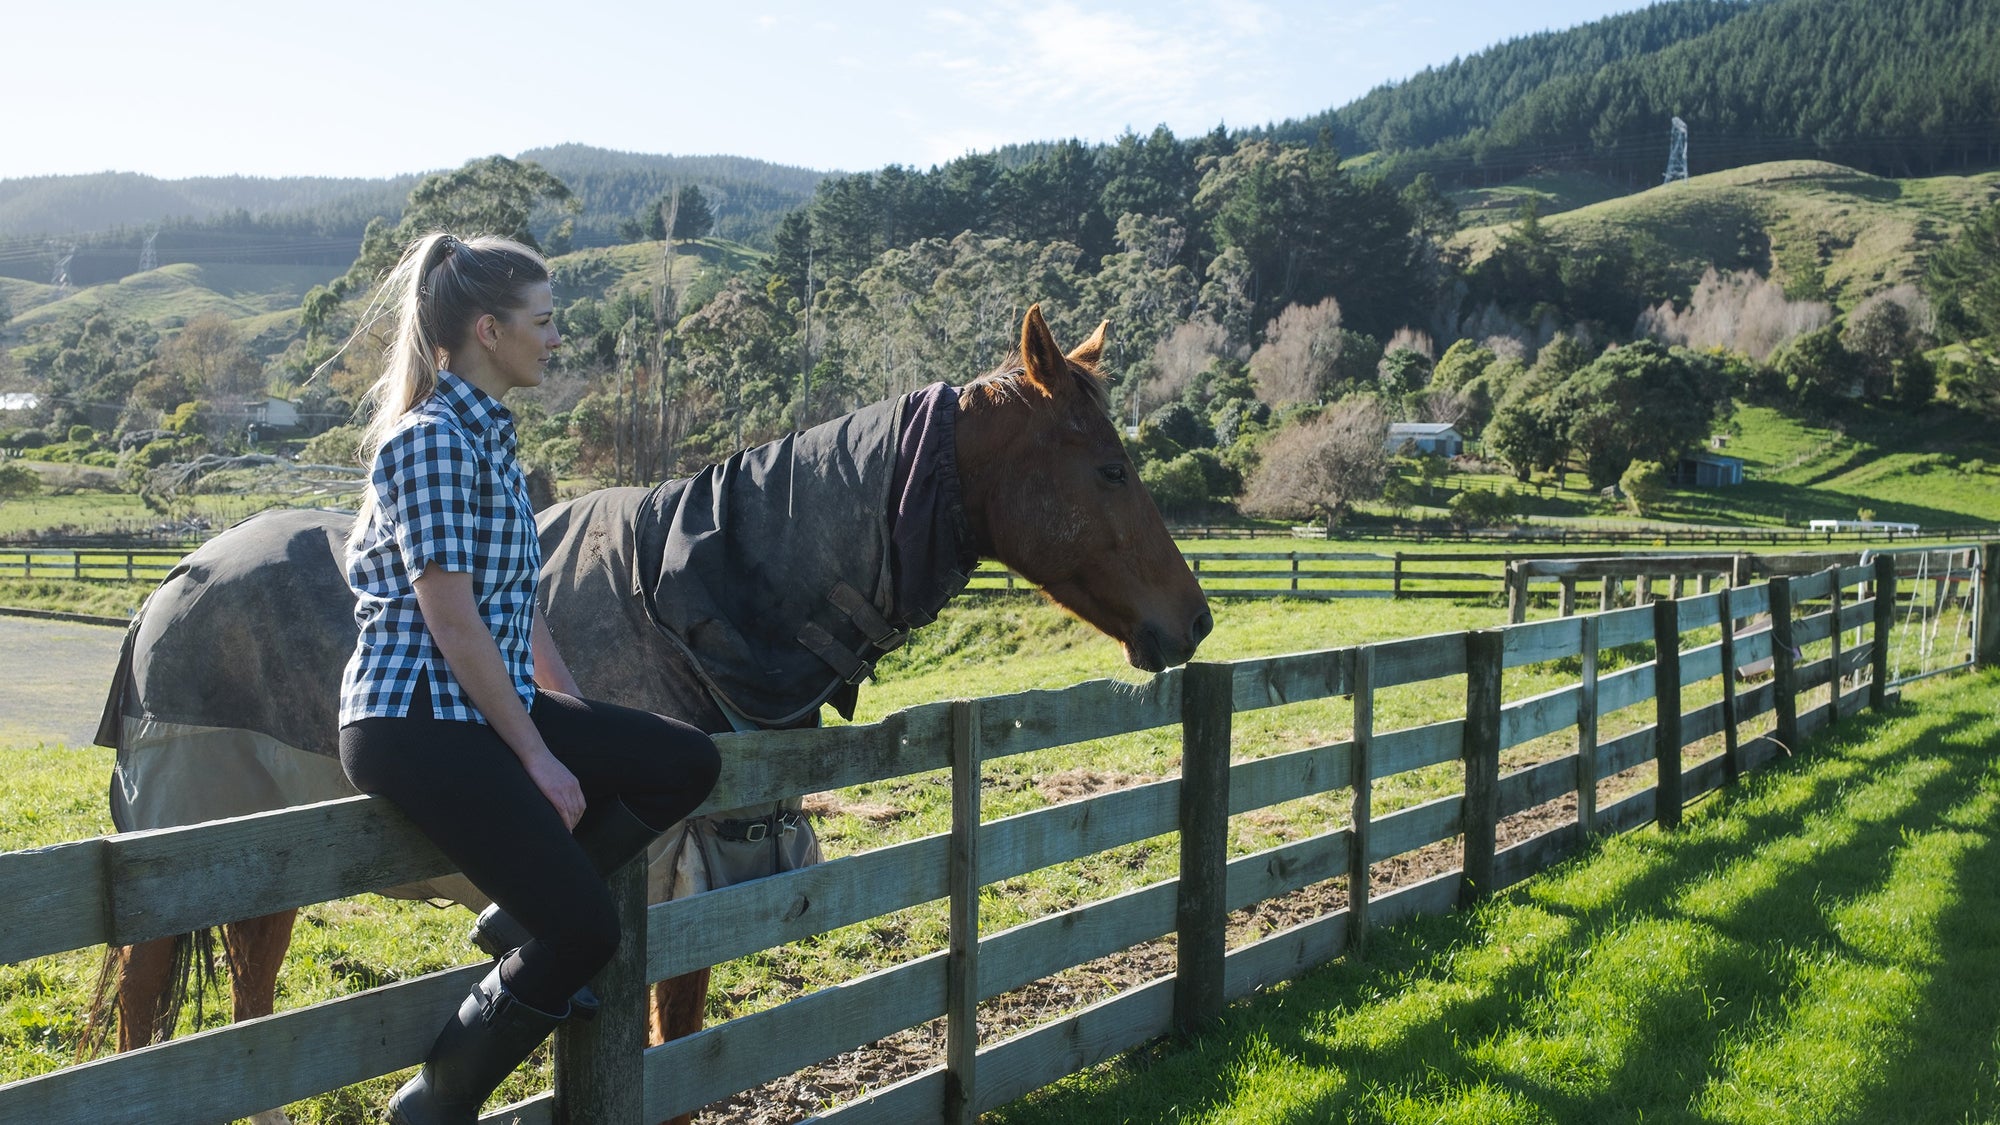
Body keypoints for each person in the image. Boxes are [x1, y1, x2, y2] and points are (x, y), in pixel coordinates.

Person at [336, 232, 720, 1124]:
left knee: (682, 761)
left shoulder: (491, 440)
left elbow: (519, 602)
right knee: (588, 928)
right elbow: (451, 616)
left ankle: (519, 919)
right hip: (415, 721)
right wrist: (541, 754)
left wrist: (570, 711)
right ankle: (436, 1100)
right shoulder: (428, 441)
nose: (556, 339)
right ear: (486, 328)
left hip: (478, 703)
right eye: (542, 322)